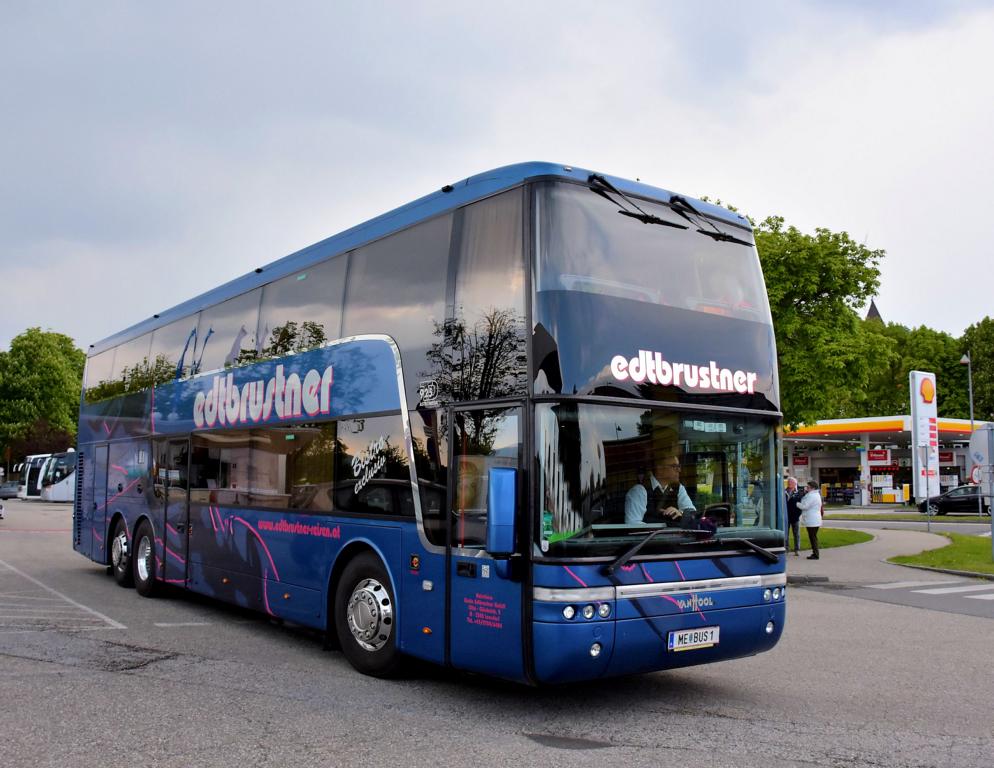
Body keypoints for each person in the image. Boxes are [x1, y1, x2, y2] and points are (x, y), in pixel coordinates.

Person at [625, 454, 697, 526]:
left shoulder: (678, 488)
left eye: (679, 466)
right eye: (674, 466)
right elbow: (633, 524)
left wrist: (681, 513)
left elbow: (692, 513)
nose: (679, 470)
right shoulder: (639, 491)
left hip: (675, 536)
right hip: (651, 537)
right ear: (660, 469)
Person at [797, 479, 823, 559]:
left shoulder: (812, 496)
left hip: (812, 520)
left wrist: (797, 504)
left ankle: (815, 554)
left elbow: (805, 506)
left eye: (808, 487)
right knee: (813, 537)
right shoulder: (815, 495)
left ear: (813, 488)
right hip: (814, 519)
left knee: (813, 537)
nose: (806, 489)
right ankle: (815, 553)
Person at [785, 476, 803, 555]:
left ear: (795, 483)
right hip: (786, 516)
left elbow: (801, 505)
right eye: (788, 482)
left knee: (796, 534)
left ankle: (797, 549)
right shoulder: (784, 492)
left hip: (795, 517)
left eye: (791, 482)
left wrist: (798, 514)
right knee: (786, 534)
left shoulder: (799, 493)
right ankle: (786, 549)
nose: (789, 483)